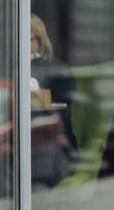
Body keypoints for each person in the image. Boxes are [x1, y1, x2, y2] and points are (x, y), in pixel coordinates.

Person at [30, 13, 78, 185]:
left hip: (47, 137)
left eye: (30, 39)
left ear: (39, 41)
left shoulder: (51, 71)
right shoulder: (11, 67)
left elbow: (63, 106)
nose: (24, 44)